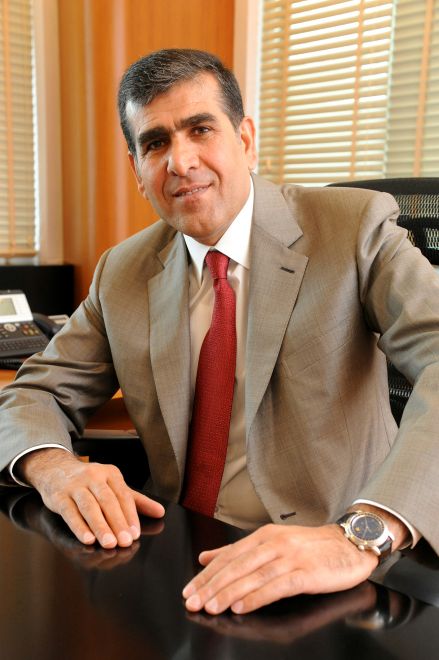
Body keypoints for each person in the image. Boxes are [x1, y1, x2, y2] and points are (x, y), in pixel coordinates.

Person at [0, 49, 438, 616]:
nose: (180, 161)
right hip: (180, 559)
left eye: (200, 129)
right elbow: (35, 391)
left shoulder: (355, 230)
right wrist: (54, 467)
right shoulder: (123, 271)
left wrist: (361, 534)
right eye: (155, 143)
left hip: (331, 564)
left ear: (246, 140)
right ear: (137, 170)